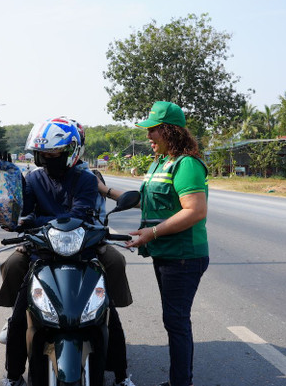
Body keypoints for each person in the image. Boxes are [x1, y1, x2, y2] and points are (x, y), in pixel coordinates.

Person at [0, 117, 135, 386]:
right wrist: (12, 215)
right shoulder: (32, 179)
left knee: (110, 312)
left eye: (55, 153)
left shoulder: (86, 179)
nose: (49, 159)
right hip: (42, 250)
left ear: (71, 152)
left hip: (84, 248)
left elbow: (78, 215)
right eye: (44, 154)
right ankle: (13, 375)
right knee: (18, 308)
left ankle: (120, 376)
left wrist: (33, 221)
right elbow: (25, 212)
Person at [98, 101, 209, 386]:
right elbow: (145, 202)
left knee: (176, 321)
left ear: (170, 131)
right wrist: (104, 190)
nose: (148, 137)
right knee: (173, 320)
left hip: (183, 255)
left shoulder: (186, 165)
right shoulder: (161, 162)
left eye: (153, 131)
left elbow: (195, 210)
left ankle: (181, 383)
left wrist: (152, 233)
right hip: (167, 254)